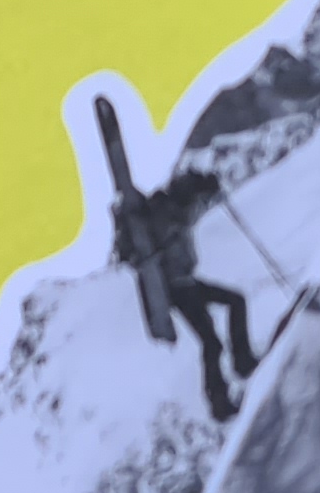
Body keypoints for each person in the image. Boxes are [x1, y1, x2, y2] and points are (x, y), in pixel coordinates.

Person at [112, 164, 261, 421]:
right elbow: (183, 214)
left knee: (223, 321)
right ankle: (229, 384)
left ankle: (230, 380)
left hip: (184, 284)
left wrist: (204, 191)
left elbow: (186, 210)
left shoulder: (169, 211)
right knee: (215, 334)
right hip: (179, 288)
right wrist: (206, 189)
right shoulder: (168, 215)